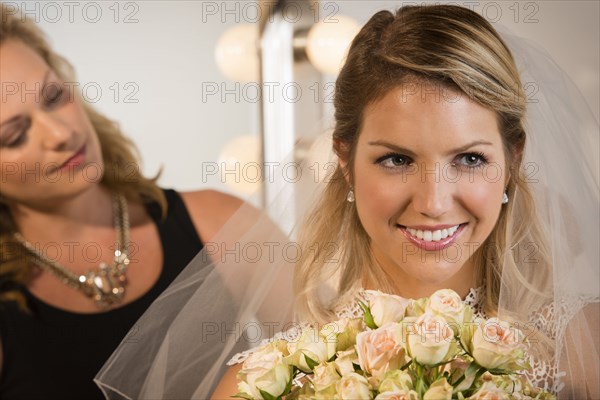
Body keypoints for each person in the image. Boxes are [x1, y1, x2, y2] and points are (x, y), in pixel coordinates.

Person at [96, 4, 599, 400]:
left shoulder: (584, 350)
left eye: (469, 159)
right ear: (344, 159)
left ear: (513, 159)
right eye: (397, 160)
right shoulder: (269, 381)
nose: (433, 202)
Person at [0, 3, 245, 399]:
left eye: (53, 96)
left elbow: (334, 355)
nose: (60, 133)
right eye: (14, 135)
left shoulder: (219, 221)